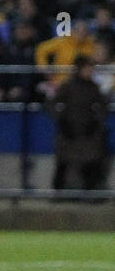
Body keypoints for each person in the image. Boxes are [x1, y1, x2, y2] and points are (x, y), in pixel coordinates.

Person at [48, 55, 109, 192]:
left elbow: (103, 107)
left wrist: (95, 122)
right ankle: (59, 191)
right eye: (87, 69)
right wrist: (62, 120)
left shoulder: (94, 88)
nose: (90, 72)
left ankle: (90, 191)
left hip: (88, 131)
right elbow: (52, 103)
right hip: (69, 129)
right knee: (63, 162)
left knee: (91, 161)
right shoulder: (68, 86)